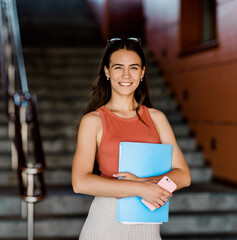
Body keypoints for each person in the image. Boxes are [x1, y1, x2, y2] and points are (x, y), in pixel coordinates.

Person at [71, 37, 191, 240]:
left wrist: (147, 184)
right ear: (107, 71)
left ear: (142, 72)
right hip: (104, 223)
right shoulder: (93, 121)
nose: (126, 75)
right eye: (118, 67)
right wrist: (139, 188)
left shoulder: (156, 118)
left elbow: (184, 176)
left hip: (148, 223)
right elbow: (80, 182)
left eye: (133, 68)